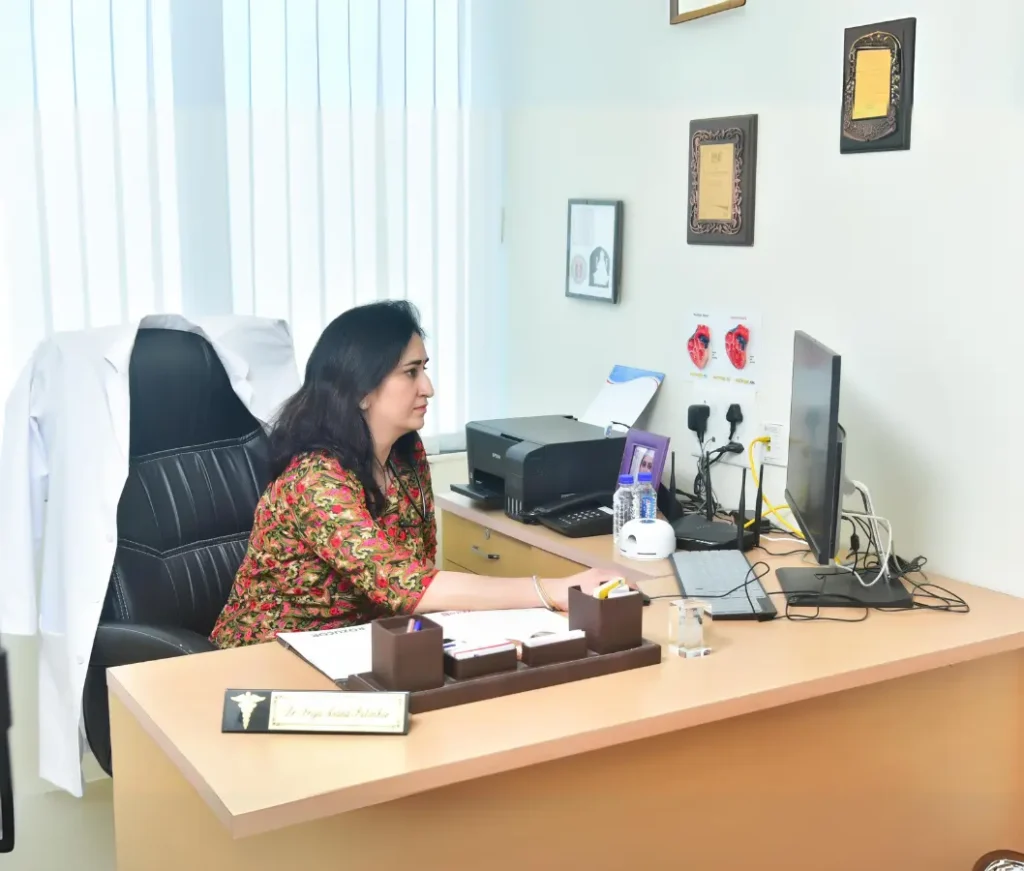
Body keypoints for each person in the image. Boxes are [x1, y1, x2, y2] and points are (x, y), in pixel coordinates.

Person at [209, 301, 622, 648]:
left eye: (424, 368)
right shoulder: (315, 481)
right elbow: (407, 586)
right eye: (410, 373)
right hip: (271, 657)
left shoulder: (405, 454)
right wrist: (552, 590)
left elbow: (422, 573)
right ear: (361, 390)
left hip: (364, 646)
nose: (428, 387)